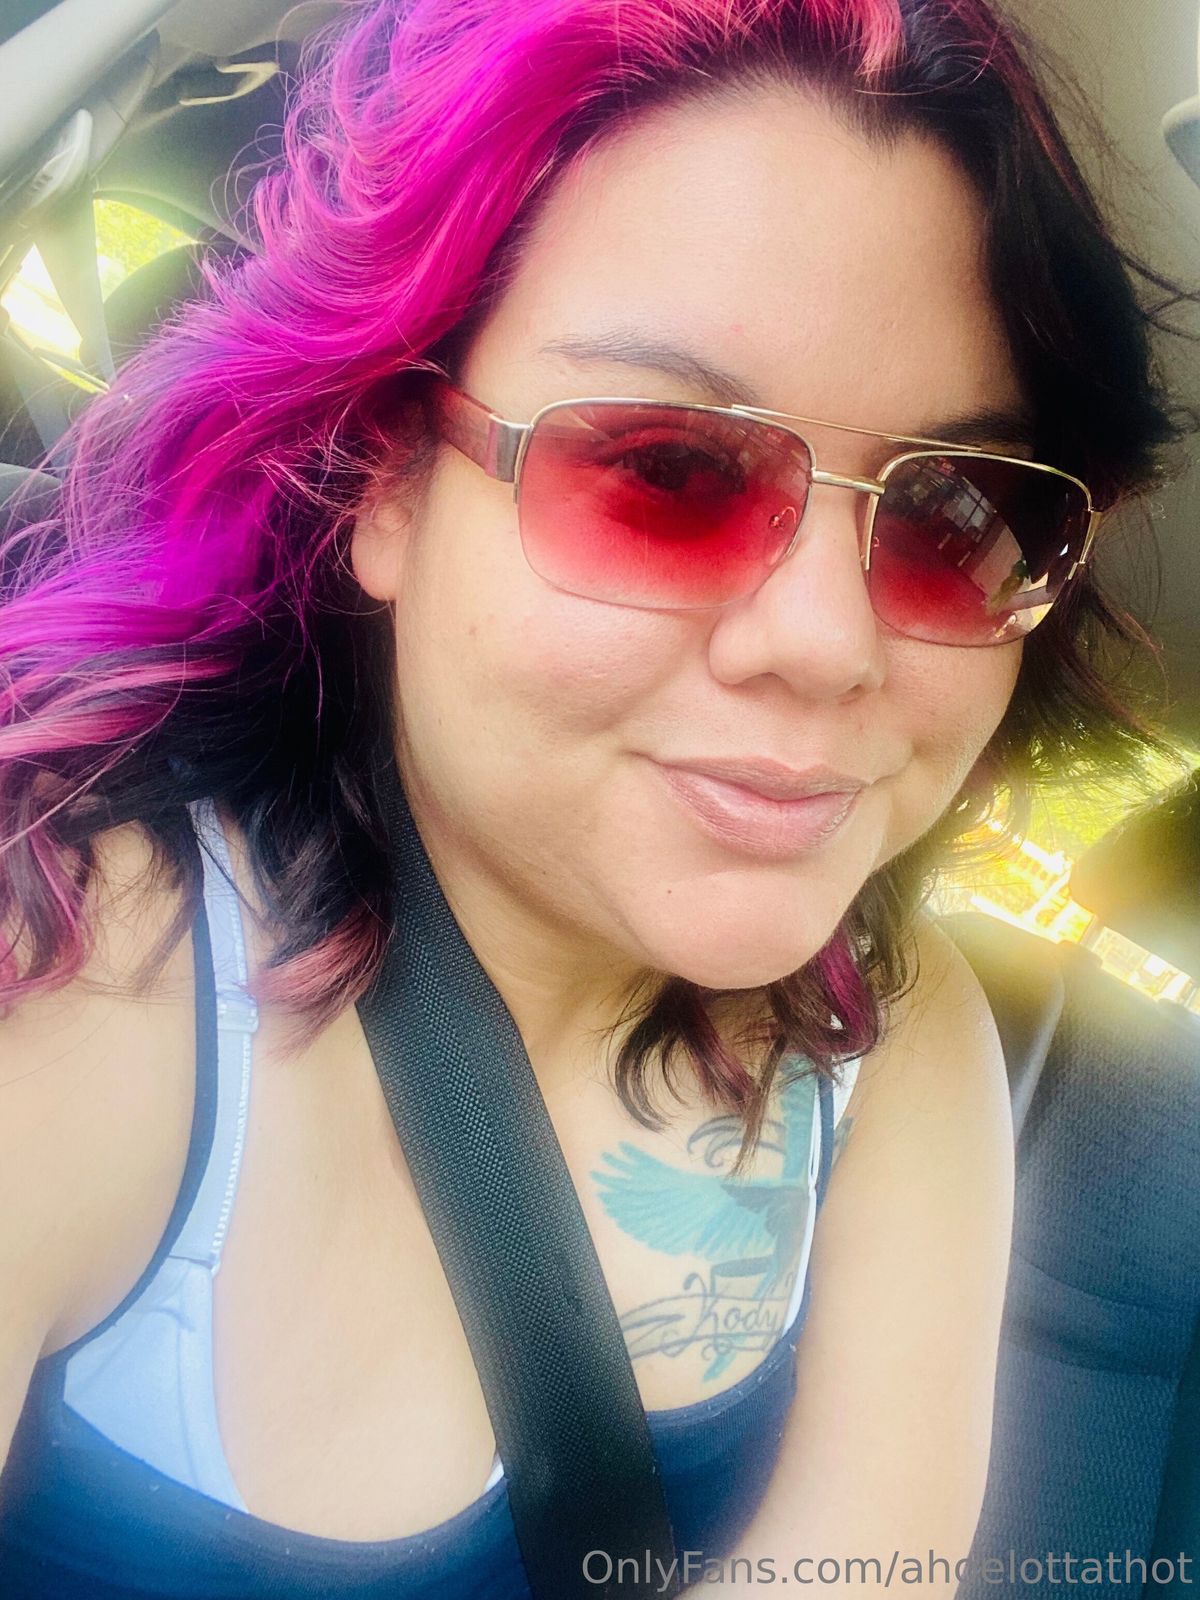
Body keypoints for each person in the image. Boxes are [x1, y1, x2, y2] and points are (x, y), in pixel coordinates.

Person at [0, 0, 1194, 1594]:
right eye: (666, 471)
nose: (829, 644)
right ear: (386, 483)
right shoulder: (72, 977)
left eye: (955, 513)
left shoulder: (898, 1044)